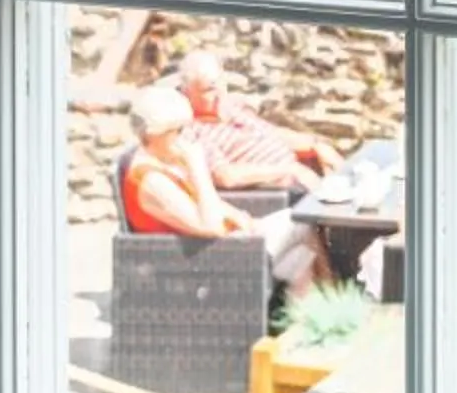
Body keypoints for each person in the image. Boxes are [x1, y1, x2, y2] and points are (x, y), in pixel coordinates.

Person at [120, 84, 323, 297]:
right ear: (155, 134)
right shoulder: (150, 180)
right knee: (307, 224)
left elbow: (206, 203)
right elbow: (211, 227)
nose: (184, 137)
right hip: (215, 258)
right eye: (178, 131)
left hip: (231, 244)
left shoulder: (163, 162)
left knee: (302, 256)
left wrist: (242, 218)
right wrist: (198, 167)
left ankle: (303, 313)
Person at [177, 49, 339, 199]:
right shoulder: (193, 131)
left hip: (299, 176)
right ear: (188, 93)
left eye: (221, 84)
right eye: (208, 90)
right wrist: (289, 170)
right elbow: (226, 176)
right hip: (276, 194)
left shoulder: (231, 108)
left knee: (343, 173)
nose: (219, 94)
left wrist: (315, 146)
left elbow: (273, 134)